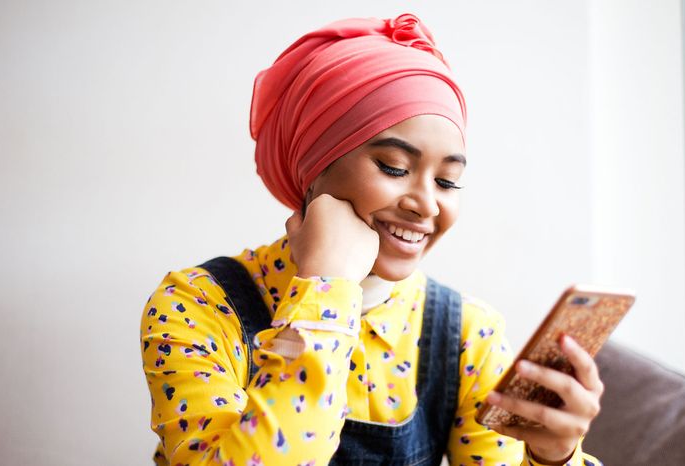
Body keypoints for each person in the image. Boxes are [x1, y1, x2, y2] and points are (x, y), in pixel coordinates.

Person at [140, 13, 604, 466]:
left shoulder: (468, 333)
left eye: (448, 182)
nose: (425, 204)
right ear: (314, 165)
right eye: (395, 168)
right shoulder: (197, 305)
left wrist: (551, 455)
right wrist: (326, 291)